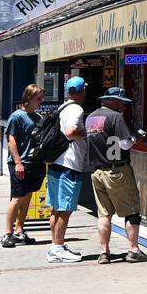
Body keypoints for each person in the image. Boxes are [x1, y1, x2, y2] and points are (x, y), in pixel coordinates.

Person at [86, 87, 147, 265]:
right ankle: (133, 250)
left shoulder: (90, 118)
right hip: (117, 171)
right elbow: (124, 144)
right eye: (121, 102)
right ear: (112, 101)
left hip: (97, 171)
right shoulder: (116, 117)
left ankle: (104, 253)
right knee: (132, 212)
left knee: (104, 214)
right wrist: (136, 138)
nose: (123, 106)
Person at [46, 77, 89, 264]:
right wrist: (86, 134)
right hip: (69, 164)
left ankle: (56, 246)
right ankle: (57, 248)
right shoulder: (76, 109)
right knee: (65, 210)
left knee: (56, 208)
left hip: (56, 162)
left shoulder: (62, 107)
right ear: (81, 91)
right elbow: (71, 132)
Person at [2, 85, 47, 248]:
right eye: (38, 99)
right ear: (27, 99)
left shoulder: (37, 117)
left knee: (27, 197)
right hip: (20, 163)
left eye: (42, 99)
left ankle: (19, 229)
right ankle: (8, 233)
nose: (41, 102)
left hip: (34, 163)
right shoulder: (17, 116)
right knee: (17, 198)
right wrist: (18, 162)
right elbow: (11, 140)